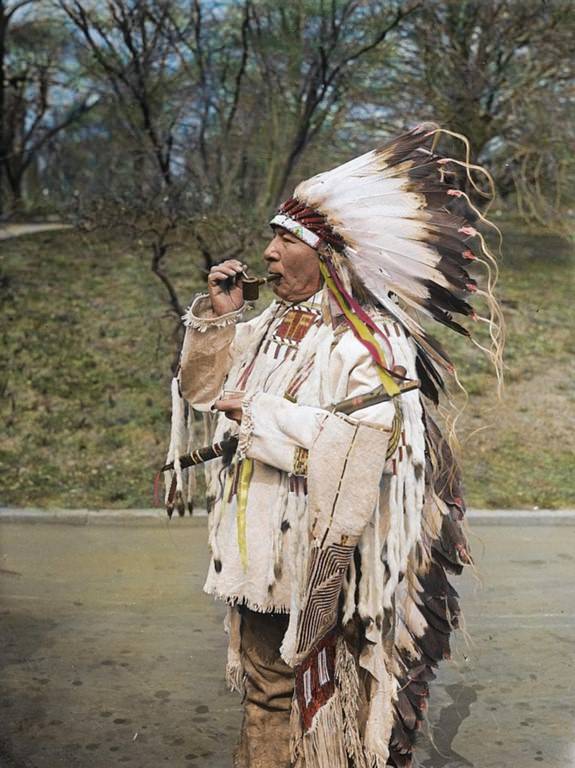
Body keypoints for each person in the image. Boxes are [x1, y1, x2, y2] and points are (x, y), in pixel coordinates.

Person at [164, 123, 503, 768]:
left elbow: (364, 448)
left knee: (314, 694)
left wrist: (262, 416)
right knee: (265, 691)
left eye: (284, 239)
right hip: (259, 549)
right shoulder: (268, 328)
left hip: (327, 562)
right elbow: (202, 391)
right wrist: (217, 318)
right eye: (271, 238)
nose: (266, 254)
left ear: (329, 256)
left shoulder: (367, 346)